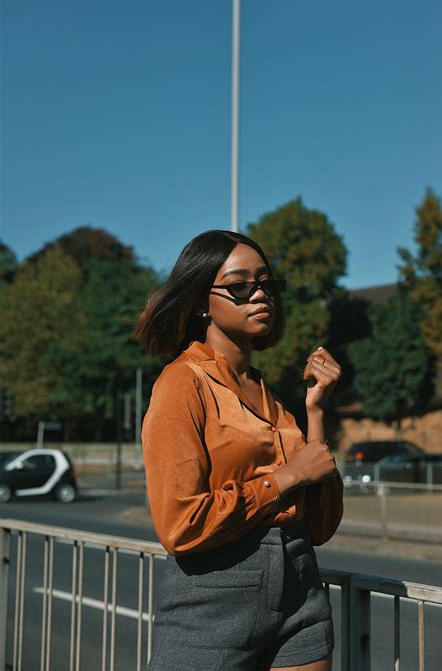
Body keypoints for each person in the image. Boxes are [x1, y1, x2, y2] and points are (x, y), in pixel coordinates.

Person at [136, 230, 344, 671]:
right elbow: (179, 524)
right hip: (214, 598)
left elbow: (321, 524)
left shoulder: (272, 399)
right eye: (239, 286)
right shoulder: (182, 384)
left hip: (300, 586)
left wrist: (316, 413)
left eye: (266, 283)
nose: (259, 294)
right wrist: (288, 477)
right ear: (200, 302)